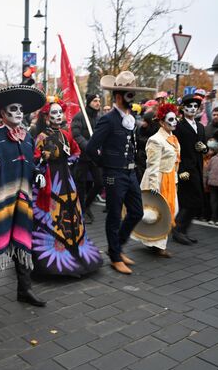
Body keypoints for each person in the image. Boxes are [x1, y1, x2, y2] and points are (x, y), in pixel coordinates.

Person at [0, 85, 48, 306]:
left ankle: (25, 289)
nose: (18, 113)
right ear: (3, 114)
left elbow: (31, 163)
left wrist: (37, 174)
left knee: (23, 241)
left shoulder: (27, 138)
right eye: (13, 109)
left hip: (22, 198)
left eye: (20, 109)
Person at [86, 71, 155, 274]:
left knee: (136, 212)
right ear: (118, 96)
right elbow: (91, 148)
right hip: (114, 174)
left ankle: (117, 246)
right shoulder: (108, 120)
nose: (132, 98)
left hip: (130, 173)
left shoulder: (131, 117)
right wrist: (106, 165)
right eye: (128, 94)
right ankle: (115, 256)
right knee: (114, 215)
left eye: (133, 93)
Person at [33, 101, 102, 276]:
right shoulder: (41, 137)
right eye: (54, 113)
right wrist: (42, 161)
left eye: (60, 112)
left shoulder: (66, 134)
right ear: (47, 117)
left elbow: (76, 151)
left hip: (67, 178)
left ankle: (76, 252)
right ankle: (57, 256)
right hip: (51, 180)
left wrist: (71, 158)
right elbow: (35, 159)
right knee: (54, 215)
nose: (58, 116)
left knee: (72, 213)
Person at [133, 103, 180, 257]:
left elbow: (174, 162)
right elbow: (152, 165)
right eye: (170, 119)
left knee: (171, 210)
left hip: (169, 178)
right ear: (161, 122)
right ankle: (159, 246)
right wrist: (154, 188)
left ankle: (152, 242)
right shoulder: (155, 140)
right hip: (158, 180)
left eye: (176, 119)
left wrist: (175, 180)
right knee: (160, 212)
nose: (174, 122)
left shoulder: (172, 138)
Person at [173, 94, 209, 245]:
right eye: (189, 106)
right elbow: (174, 149)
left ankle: (182, 230)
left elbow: (204, 147)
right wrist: (180, 170)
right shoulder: (178, 126)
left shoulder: (200, 126)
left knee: (196, 201)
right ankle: (178, 231)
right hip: (185, 169)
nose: (193, 109)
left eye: (196, 106)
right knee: (188, 201)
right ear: (183, 108)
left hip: (197, 168)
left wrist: (204, 148)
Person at [71, 93, 103, 223]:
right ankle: (81, 210)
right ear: (89, 102)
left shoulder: (100, 118)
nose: (98, 103)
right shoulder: (79, 117)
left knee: (99, 183)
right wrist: (89, 147)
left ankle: (86, 205)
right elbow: (76, 135)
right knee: (81, 185)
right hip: (83, 157)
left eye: (99, 101)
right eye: (95, 101)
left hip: (95, 157)